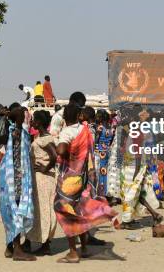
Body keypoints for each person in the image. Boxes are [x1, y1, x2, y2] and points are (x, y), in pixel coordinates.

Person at [54, 103, 117, 264]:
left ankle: (73, 253)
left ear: (64, 117)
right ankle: (84, 247)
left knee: (64, 211)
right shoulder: (85, 130)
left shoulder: (67, 132)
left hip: (70, 177)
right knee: (78, 210)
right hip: (83, 177)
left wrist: (61, 153)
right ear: (78, 116)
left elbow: (61, 150)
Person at [0, 107, 35, 261]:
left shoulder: (8, 131)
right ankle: (18, 250)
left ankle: (9, 247)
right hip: (16, 178)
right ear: (19, 118)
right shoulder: (18, 132)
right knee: (17, 211)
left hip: (5, 176)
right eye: (23, 116)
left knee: (8, 210)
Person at [25, 110, 57, 255]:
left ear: (39, 122)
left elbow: (54, 155)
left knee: (44, 210)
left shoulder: (45, 139)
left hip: (43, 179)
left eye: (33, 120)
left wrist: (45, 167)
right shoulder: (42, 137)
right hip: (41, 178)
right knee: (41, 210)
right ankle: (40, 241)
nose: (32, 122)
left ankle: (46, 244)